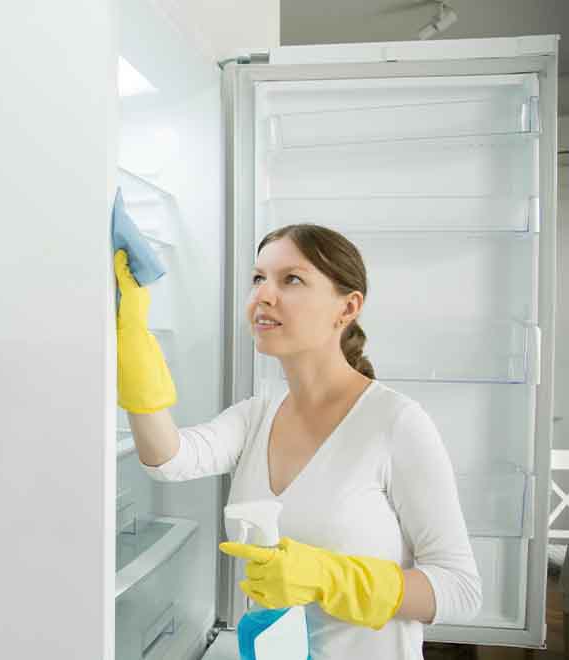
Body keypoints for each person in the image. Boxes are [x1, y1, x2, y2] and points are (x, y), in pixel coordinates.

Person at [114, 223, 482, 659]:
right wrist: (133, 336)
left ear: (347, 307)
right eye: (258, 278)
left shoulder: (396, 423)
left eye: (291, 279)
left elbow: (461, 589)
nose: (263, 295)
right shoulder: (256, 416)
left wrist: (330, 577)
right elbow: (167, 458)